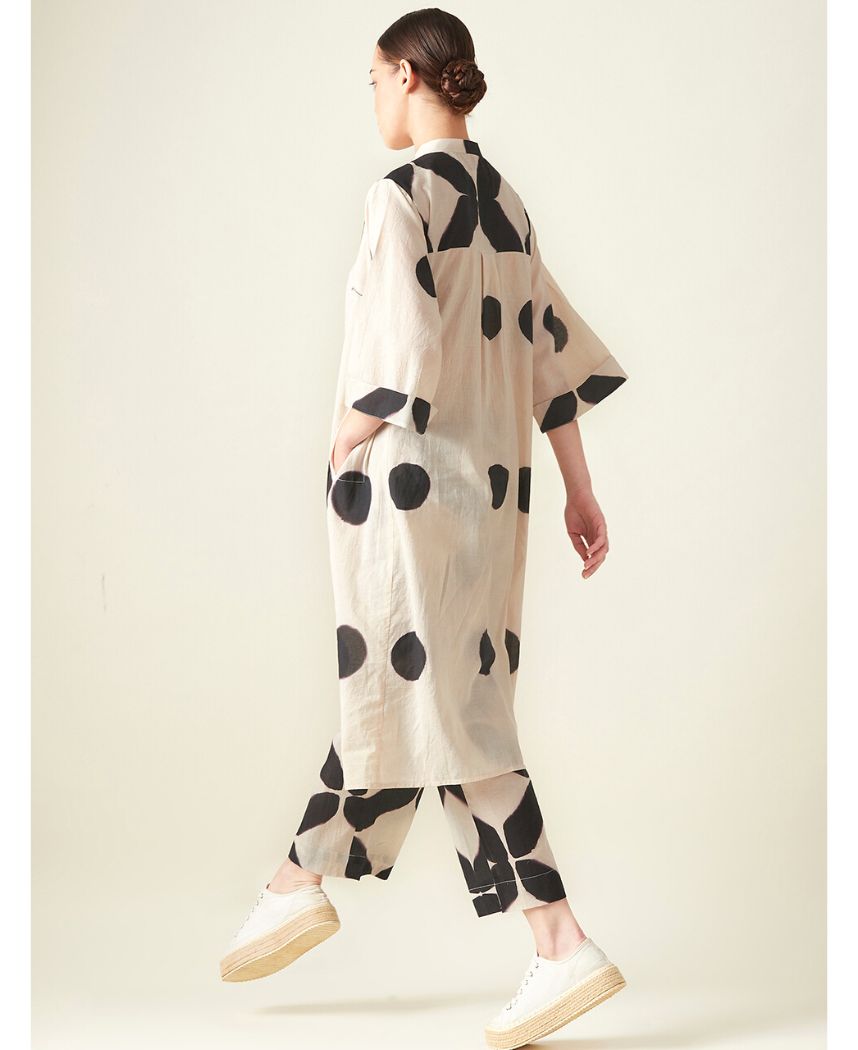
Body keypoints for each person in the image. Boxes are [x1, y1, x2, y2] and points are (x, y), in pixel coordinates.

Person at [219, 9, 629, 1048]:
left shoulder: (401, 194)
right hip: (495, 498)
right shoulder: (507, 204)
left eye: (373, 78)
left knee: (441, 705)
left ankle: (558, 940)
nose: (372, 97)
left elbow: (399, 355)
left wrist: (341, 442)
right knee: (427, 696)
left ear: (407, 75)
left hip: (409, 496)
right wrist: (580, 491)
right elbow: (551, 359)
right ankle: (299, 880)